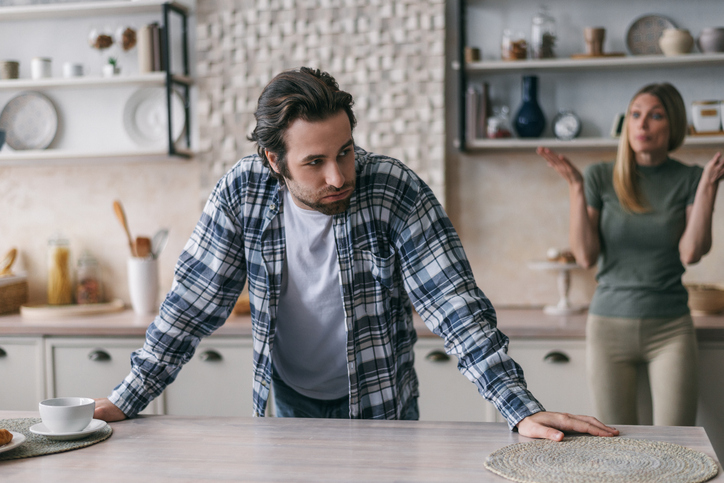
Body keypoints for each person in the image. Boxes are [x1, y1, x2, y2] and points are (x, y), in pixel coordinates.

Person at [95, 67, 617, 441]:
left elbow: (456, 307)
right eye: (315, 162)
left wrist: (519, 409)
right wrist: (127, 396)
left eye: (344, 151)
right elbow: (191, 305)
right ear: (274, 160)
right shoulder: (241, 193)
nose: (338, 176)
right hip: (288, 403)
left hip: (384, 405)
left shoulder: (392, 189)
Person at [537, 82, 724, 426]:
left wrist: (709, 187)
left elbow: (691, 252)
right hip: (608, 327)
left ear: (674, 125)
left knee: (677, 442)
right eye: (635, 115)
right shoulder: (599, 176)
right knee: (613, 444)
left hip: (670, 327)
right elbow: (585, 256)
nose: (642, 125)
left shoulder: (692, 178)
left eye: (655, 116)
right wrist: (577, 190)